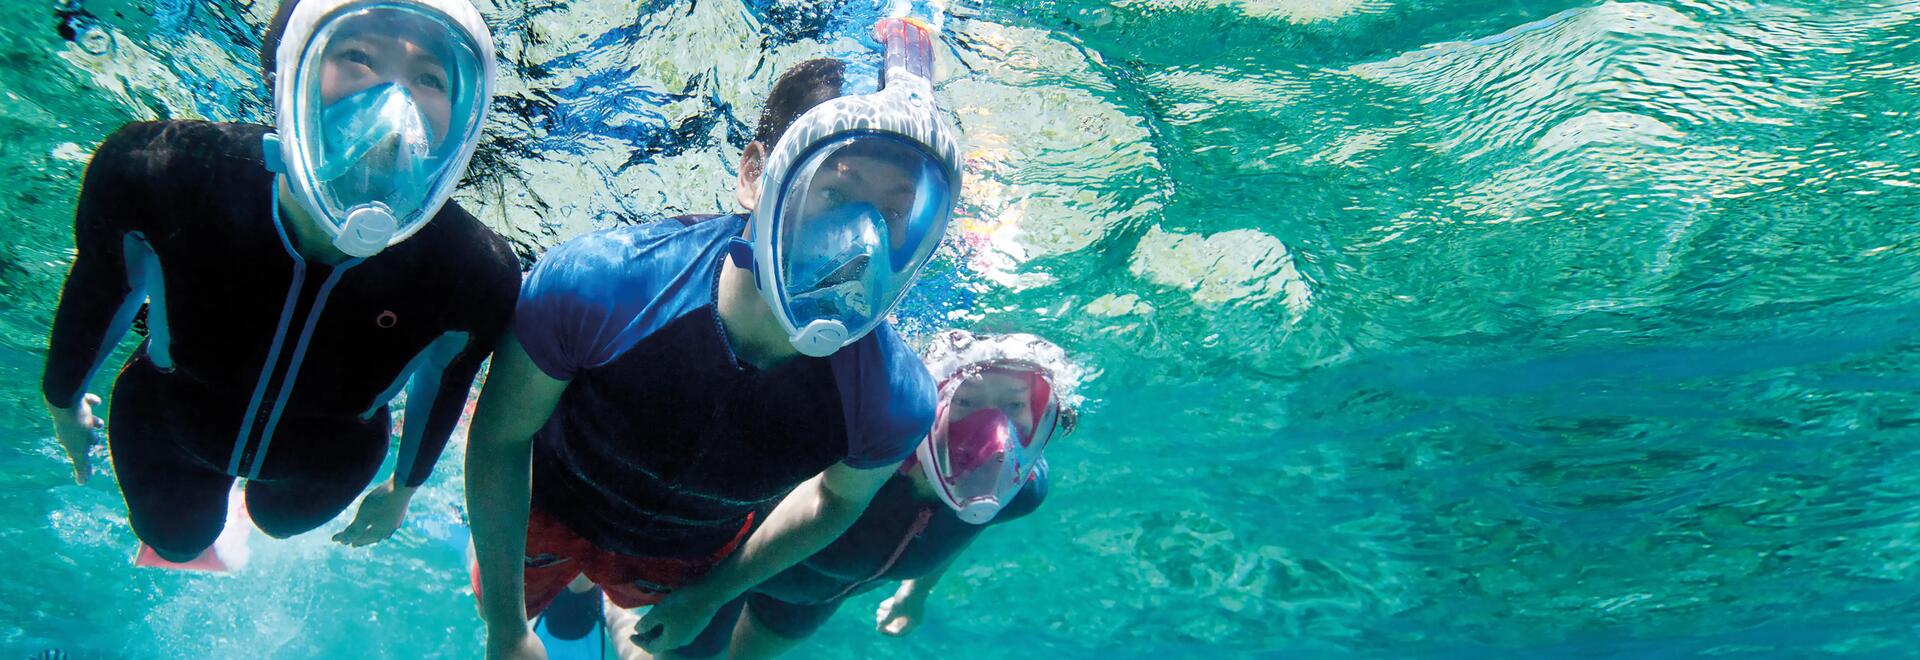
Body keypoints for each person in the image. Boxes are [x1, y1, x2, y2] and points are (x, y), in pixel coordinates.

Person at [465, 17, 963, 660]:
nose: (859, 242)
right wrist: (506, 628)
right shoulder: (599, 286)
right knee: (549, 625)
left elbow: (835, 502)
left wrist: (714, 593)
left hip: (691, 555)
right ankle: (583, 598)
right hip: (549, 514)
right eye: (834, 189)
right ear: (756, 176)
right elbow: (503, 439)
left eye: (892, 214)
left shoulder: (895, 400)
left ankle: (614, 614)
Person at [40, 0, 519, 563]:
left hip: (328, 457)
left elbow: (448, 384)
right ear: (291, 70)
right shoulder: (166, 172)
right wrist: (62, 403)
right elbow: (97, 290)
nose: (395, 105)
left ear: (462, 118)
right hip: (169, 424)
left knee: (282, 523)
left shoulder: (476, 270)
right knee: (175, 537)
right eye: (358, 56)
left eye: (430, 78)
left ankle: (252, 514)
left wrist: (403, 491)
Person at [617, 330, 1082, 659]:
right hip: (722, 571)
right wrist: (705, 596)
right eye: (965, 402)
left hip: (812, 599)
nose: (991, 430)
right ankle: (608, 605)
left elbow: (962, 530)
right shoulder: (868, 445)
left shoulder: (1020, 490)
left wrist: (914, 593)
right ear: (933, 397)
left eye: (1015, 405)